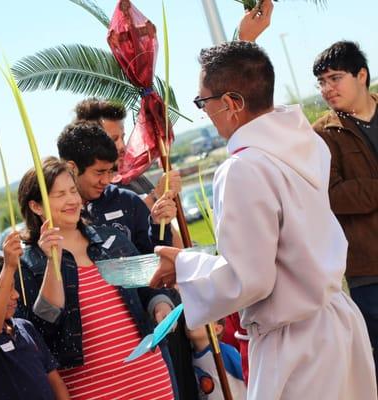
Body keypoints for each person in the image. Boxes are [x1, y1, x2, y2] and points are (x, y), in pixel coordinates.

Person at [149, 40, 376, 399]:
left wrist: (186, 266)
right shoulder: (308, 142)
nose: (204, 112)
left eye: (202, 102)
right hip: (338, 322)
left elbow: (250, 278)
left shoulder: (242, 169)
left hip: (297, 343)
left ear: (231, 103)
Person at [16, 157, 177, 399]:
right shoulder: (27, 264)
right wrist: (52, 262)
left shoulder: (112, 240)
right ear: (36, 207)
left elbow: (149, 287)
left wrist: (161, 305)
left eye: (72, 190)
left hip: (149, 375)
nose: (71, 200)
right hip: (88, 388)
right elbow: (41, 331)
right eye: (59, 194)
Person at [312, 41, 378, 384]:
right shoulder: (322, 135)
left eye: (335, 78)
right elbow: (330, 195)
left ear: (361, 75)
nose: (327, 89)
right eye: (322, 82)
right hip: (369, 271)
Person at [0, 234, 69, 400]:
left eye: (13, 287)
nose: (16, 295)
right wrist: (8, 267)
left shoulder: (25, 327)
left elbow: (54, 380)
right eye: (7, 289)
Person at [57, 121, 177, 255]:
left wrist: (159, 225)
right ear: (71, 168)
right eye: (99, 172)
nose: (106, 181)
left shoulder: (128, 201)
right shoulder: (56, 214)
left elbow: (155, 259)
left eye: (110, 171)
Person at [73, 98, 181, 207]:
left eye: (122, 138)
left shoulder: (134, 178)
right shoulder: (91, 190)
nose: (122, 146)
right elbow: (119, 220)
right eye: (113, 140)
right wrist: (156, 196)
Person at [186, 319, 246, 400]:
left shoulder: (224, 352)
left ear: (217, 329)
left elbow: (247, 376)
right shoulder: (189, 357)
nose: (191, 322)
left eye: (201, 319)